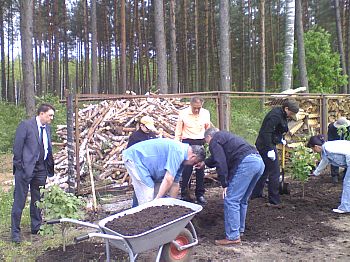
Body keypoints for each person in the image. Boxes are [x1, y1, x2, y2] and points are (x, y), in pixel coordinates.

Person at [200, 128, 264, 246]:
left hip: (247, 164)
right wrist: (205, 163)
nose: (209, 145)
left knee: (231, 199)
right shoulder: (226, 137)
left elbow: (220, 161)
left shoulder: (214, 140)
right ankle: (239, 230)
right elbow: (217, 157)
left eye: (207, 142)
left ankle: (233, 236)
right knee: (242, 200)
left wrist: (224, 183)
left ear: (209, 137)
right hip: (258, 162)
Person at [11, 103, 55, 243]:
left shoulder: (47, 128)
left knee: (38, 199)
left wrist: (48, 164)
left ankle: (36, 227)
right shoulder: (26, 125)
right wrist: (20, 166)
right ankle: (15, 233)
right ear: (41, 114)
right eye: (50, 115)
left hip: (41, 169)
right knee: (20, 199)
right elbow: (17, 146)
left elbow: (47, 147)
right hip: (25, 169)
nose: (51, 118)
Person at [122, 138, 206, 206]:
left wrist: (171, 205)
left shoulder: (183, 159)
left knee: (153, 193)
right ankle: (143, 223)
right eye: (194, 163)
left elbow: (175, 184)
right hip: (136, 157)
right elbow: (168, 179)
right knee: (148, 193)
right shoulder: (178, 151)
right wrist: (158, 199)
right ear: (193, 156)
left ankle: (139, 212)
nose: (192, 165)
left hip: (148, 165)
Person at [251, 99, 299, 207]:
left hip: (270, 143)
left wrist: (280, 139)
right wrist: (269, 150)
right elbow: (266, 133)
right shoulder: (275, 116)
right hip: (265, 145)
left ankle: (256, 194)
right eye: (291, 113)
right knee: (275, 172)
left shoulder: (282, 115)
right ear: (286, 108)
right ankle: (274, 200)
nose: (291, 115)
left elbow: (277, 130)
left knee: (265, 170)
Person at [175, 96, 211, 204]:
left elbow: (207, 129)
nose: (196, 110)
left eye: (198, 108)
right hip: (187, 142)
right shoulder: (183, 113)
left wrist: (208, 143)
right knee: (187, 169)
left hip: (200, 141)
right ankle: (185, 194)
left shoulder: (205, 113)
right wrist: (177, 144)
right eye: (194, 108)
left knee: (200, 169)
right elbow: (178, 130)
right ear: (190, 105)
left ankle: (200, 194)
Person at [307, 135, 350, 213]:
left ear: (316, 146)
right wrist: (315, 173)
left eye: (313, 149)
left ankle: (345, 207)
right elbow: (324, 161)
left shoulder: (329, 148)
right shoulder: (326, 151)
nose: (314, 151)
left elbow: (348, 153)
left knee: (348, 183)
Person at [127, 115, 158, 207]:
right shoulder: (135, 136)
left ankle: (150, 205)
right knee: (139, 186)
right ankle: (136, 207)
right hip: (139, 164)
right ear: (141, 125)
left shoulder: (152, 135)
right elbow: (129, 152)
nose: (148, 130)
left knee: (151, 185)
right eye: (147, 127)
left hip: (150, 164)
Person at [327, 117, 350, 184]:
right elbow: (330, 138)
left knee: (348, 159)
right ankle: (334, 175)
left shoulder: (349, 127)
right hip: (335, 145)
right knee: (334, 158)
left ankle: (345, 173)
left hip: (346, 145)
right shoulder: (331, 127)